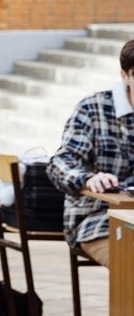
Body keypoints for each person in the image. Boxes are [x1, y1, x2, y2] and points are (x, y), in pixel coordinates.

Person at [48, 39, 134, 266]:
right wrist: (89, 178)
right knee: (130, 262)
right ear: (125, 76)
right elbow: (61, 162)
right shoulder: (92, 109)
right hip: (97, 219)